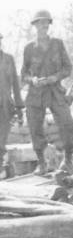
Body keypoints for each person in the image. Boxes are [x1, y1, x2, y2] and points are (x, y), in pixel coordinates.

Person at [21, 10, 73, 174]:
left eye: (46, 23)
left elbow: (68, 68)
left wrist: (54, 78)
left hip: (55, 91)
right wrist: (33, 80)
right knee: (35, 127)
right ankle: (42, 163)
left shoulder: (57, 44)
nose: (43, 26)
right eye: (40, 23)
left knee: (67, 124)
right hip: (36, 93)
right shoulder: (29, 48)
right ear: (35, 26)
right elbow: (23, 74)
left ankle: (67, 160)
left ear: (49, 25)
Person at [0, 33, 24, 178]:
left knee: (2, 138)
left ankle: (1, 167)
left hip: (6, 106)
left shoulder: (8, 59)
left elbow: (15, 84)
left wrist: (20, 107)